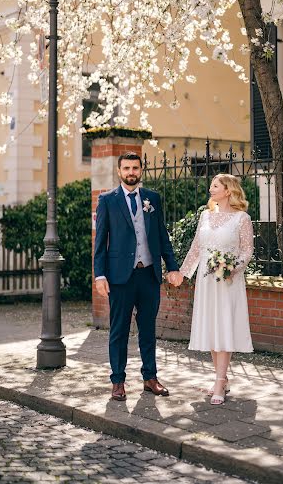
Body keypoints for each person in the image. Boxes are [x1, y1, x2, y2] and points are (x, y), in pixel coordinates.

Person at [93, 151, 182, 401]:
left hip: (149, 275)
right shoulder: (107, 200)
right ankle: (118, 381)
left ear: (141, 170)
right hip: (120, 277)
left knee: (147, 329)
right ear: (119, 171)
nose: (131, 172)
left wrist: (172, 267)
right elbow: (100, 243)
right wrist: (100, 275)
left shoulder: (152, 198)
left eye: (135, 168)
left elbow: (162, 236)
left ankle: (150, 378)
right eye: (127, 168)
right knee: (119, 330)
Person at [174, 173, 254, 405]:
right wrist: (182, 272)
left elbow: (247, 250)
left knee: (224, 326)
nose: (211, 188)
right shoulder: (205, 216)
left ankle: (219, 381)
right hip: (206, 280)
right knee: (211, 327)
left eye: (215, 185)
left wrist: (232, 269)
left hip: (228, 281)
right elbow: (197, 248)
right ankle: (222, 377)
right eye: (211, 185)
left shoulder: (242, 218)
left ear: (228, 190)